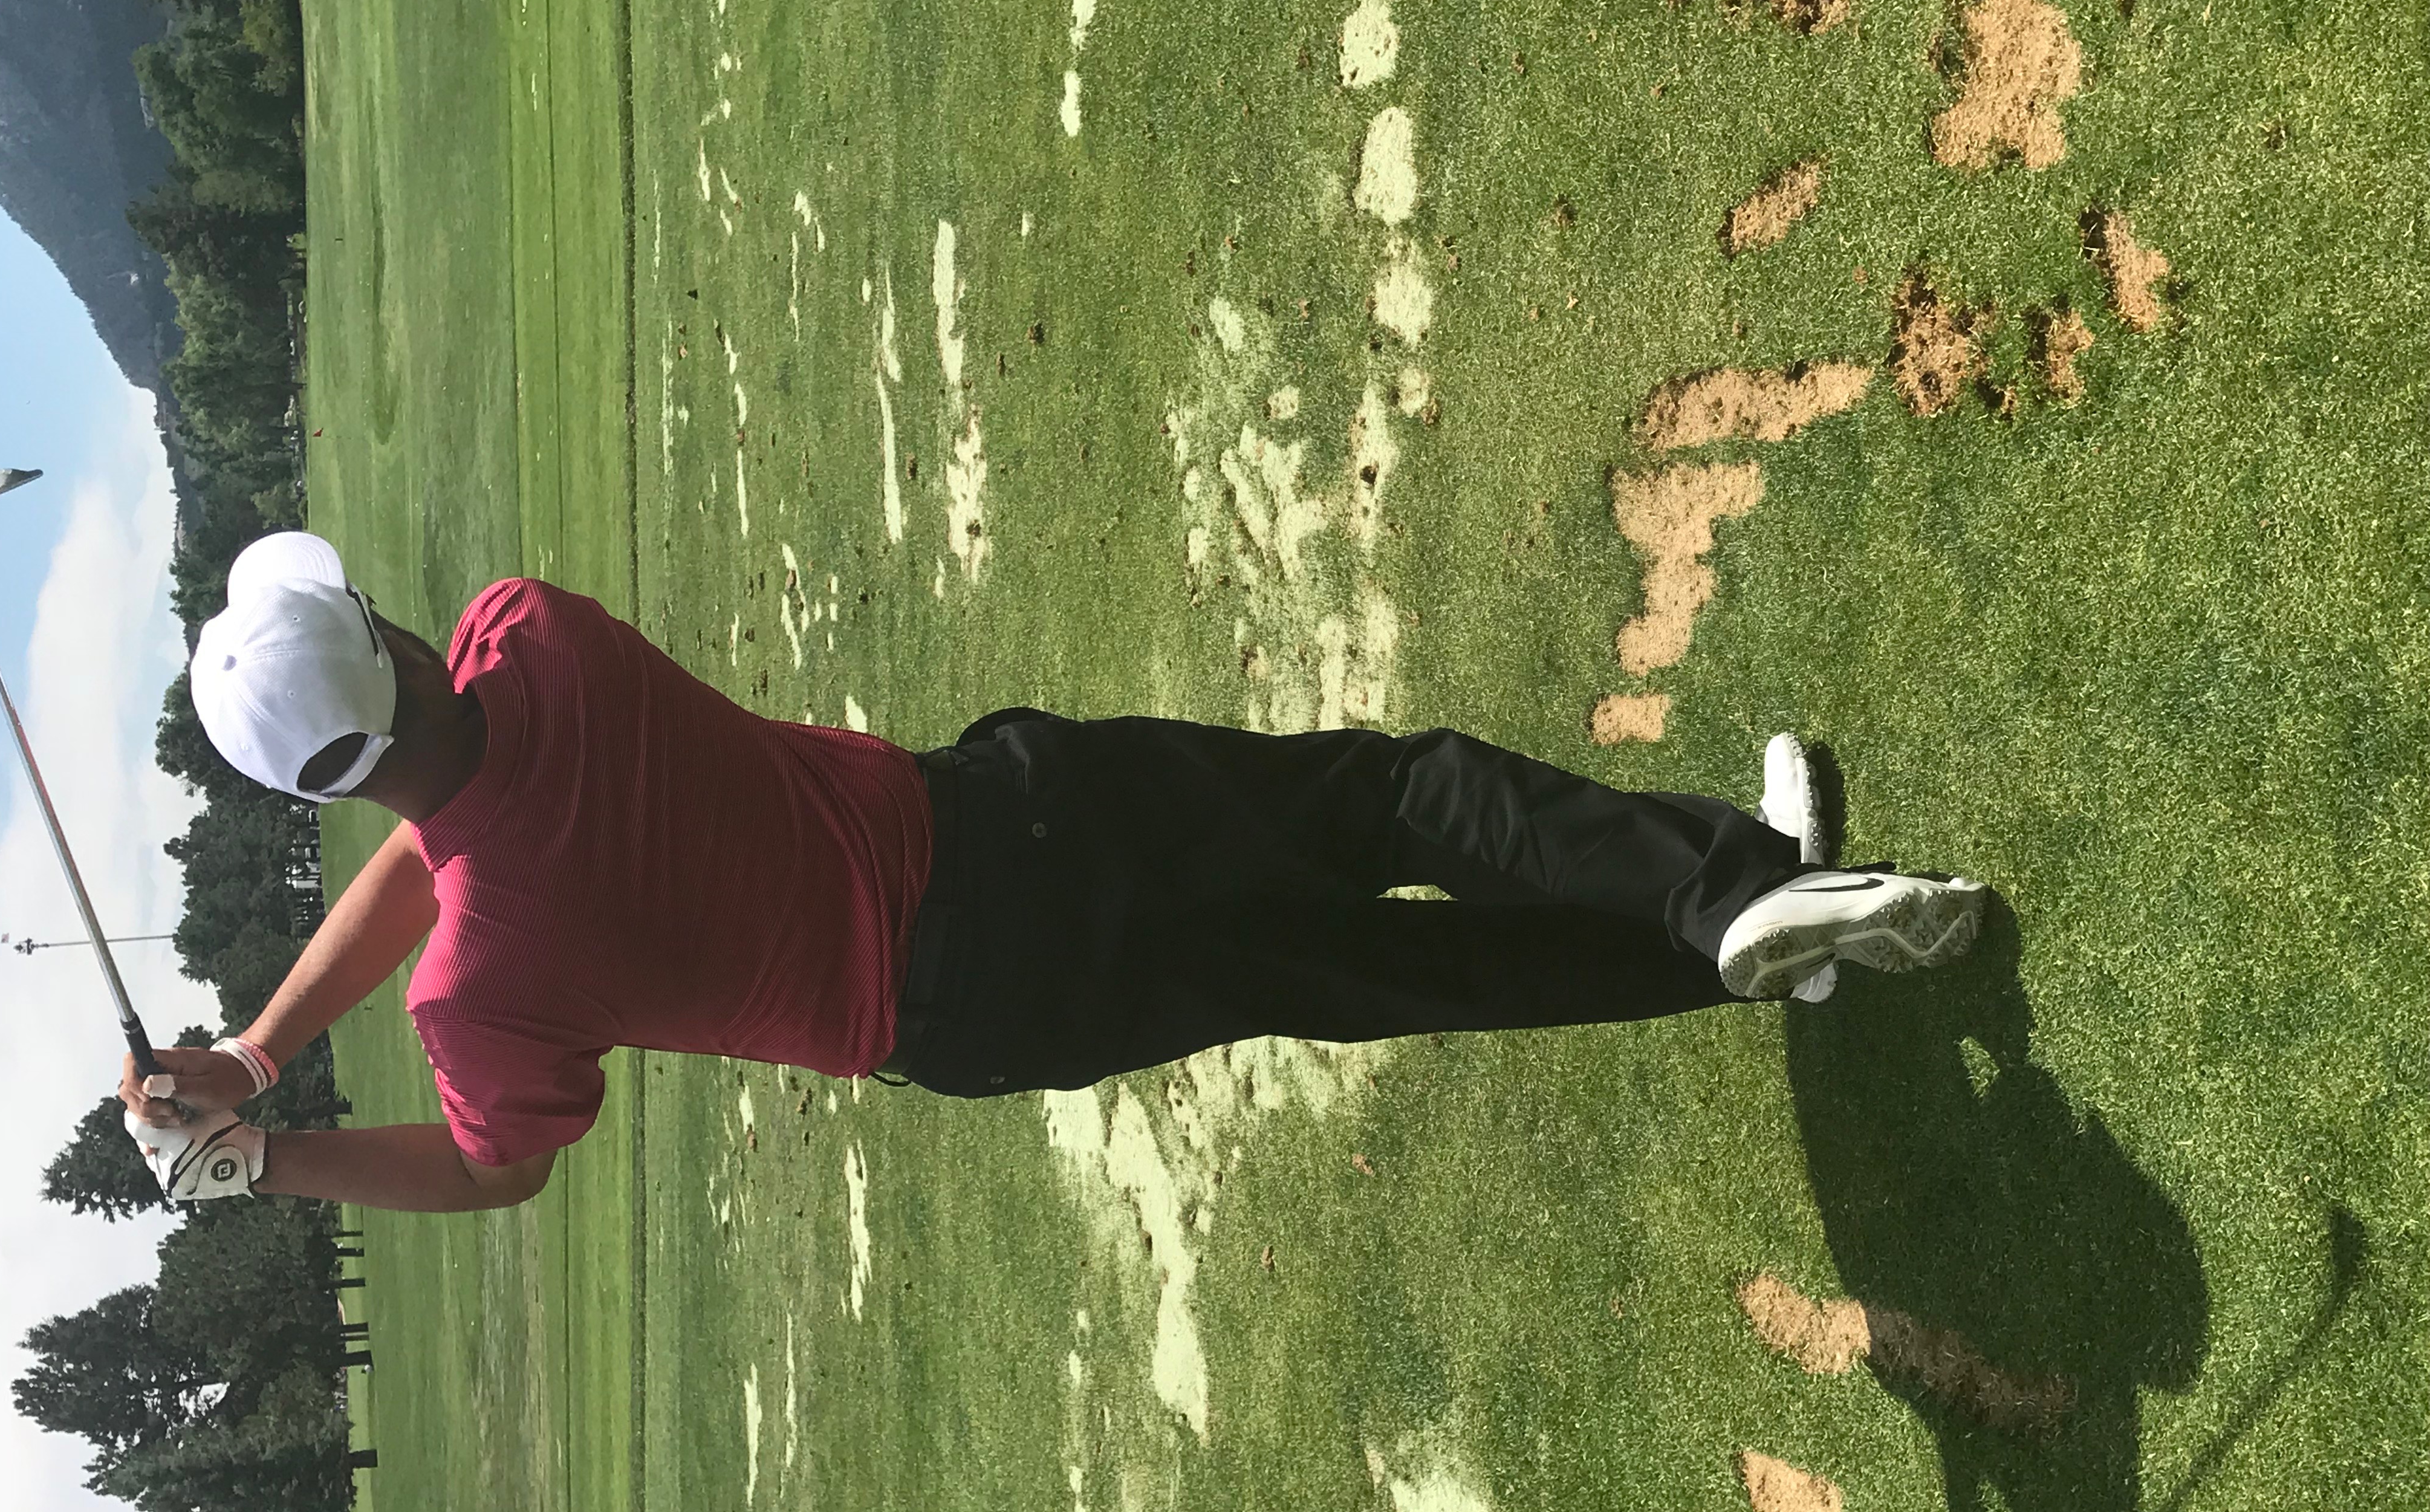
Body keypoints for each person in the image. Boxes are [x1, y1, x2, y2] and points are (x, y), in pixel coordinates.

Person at [120, 533, 1987, 1210]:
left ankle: (1745, 942)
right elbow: (446, 823)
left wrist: (264, 1138)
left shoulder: (480, 994)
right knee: (1389, 806)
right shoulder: (533, 635)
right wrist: (260, 1052)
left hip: (988, 1013)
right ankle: (1731, 891)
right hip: (1010, 818)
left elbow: (491, 1162)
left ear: (319, 792)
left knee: (1379, 978)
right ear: (394, 635)